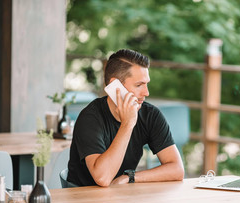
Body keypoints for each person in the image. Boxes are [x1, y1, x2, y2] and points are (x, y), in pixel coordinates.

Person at [67, 49, 184, 187]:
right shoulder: (90, 118)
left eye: (146, 84)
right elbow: (103, 178)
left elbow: (177, 170)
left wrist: (130, 177)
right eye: (139, 85)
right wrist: (128, 124)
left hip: (122, 195)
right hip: (84, 199)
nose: (146, 92)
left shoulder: (150, 114)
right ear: (115, 86)